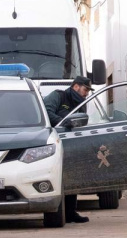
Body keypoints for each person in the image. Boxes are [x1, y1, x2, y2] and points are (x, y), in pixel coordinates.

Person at [43, 75, 94, 223]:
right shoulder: (59, 95)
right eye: (85, 89)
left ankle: (71, 212)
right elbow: (46, 112)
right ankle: (55, 212)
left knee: (72, 177)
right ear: (76, 86)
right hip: (53, 143)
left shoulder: (82, 104)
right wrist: (63, 123)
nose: (87, 93)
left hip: (72, 144)